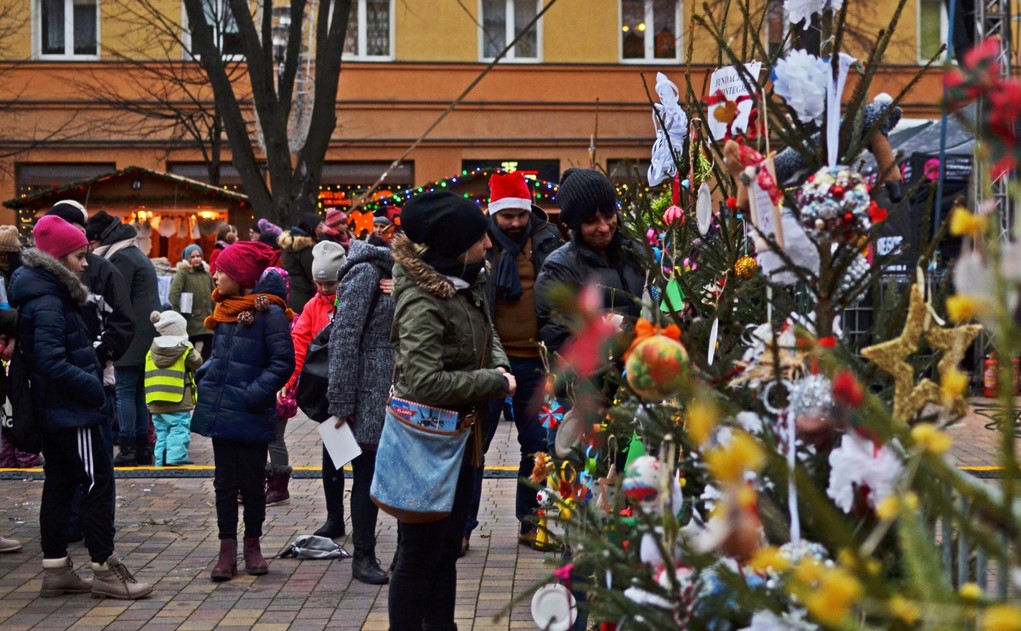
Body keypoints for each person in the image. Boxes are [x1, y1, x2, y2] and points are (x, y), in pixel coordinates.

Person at [387, 191, 516, 630]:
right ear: (456, 245)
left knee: (445, 549)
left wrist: (497, 360)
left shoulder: (469, 277)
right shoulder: (423, 299)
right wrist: (492, 381)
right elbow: (423, 382)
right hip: (427, 442)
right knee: (418, 554)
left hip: (462, 437)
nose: (489, 244)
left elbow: (486, 328)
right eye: (480, 238)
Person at [10, 215, 152, 599]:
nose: (86, 263)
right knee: (96, 483)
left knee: (60, 483)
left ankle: (56, 568)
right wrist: (92, 389)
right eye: (78, 256)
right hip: (75, 412)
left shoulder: (44, 294)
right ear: (58, 261)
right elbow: (52, 362)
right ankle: (105, 569)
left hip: (60, 411)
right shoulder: (49, 302)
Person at [463, 171, 564, 555]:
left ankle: (532, 524)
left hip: (537, 363)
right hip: (489, 364)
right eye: (507, 216)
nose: (515, 223)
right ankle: (464, 527)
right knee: (475, 447)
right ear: (493, 214)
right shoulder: (478, 245)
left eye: (520, 215)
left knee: (538, 448)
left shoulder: (547, 239)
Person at [191, 241, 294, 582]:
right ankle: (226, 550)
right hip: (223, 410)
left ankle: (252, 546)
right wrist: (205, 375)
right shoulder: (226, 310)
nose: (215, 275)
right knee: (223, 484)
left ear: (240, 277)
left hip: (250, 411)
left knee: (251, 484)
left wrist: (254, 393)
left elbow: (283, 362)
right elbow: (220, 356)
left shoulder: (270, 313)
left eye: (222, 270)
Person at [326, 237, 394, 585]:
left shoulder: (405, 276)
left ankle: (403, 553)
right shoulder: (366, 273)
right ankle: (363, 555)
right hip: (367, 391)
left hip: (397, 388)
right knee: (365, 473)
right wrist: (339, 403)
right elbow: (344, 336)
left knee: (396, 474)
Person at [536, 168, 645, 355]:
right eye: (591, 221)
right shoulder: (558, 268)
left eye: (609, 215)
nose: (604, 227)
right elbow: (561, 341)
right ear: (575, 226)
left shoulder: (637, 253)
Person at [86, 211, 161, 467]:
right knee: (138, 392)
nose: (90, 247)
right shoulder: (132, 252)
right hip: (144, 333)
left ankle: (128, 448)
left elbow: (117, 300)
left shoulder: (119, 258)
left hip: (132, 335)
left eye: (92, 241)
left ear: (100, 239)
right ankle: (141, 448)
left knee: (125, 392)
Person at [276, 240, 347, 508]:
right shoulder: (313, 306)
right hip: (329, 390)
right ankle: (335, 517)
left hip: (358, 390)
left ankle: (362, 525)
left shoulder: (356, 300)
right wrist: (288, 380)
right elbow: (298, 344)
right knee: (333, 457)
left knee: (365, 462)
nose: (323, 290)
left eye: (330, 284)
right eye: (319, 285)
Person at [0, 224, 43, 469]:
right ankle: (13, 453)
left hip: (19, 352)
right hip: (14, 348)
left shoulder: (21, 274)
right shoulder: (23, 273)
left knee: (17, 404)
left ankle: (20, 452)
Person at [144, 310, 202, 466]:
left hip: (155, 399)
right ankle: (176, 458)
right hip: (178, 398)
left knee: (161, 430)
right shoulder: (184, 349)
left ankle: (161, 460)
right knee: (179, 426)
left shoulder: (152, 349)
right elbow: (197, 362)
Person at [168, 244, 215, 361]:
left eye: (199, 256)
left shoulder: (206, 274)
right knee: (190, 349)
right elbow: (174, 293)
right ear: (187, 258)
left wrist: (215, 312)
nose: (196, 259)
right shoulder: (183, 273)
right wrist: (177, 314)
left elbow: (213, 293)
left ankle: (203, 369)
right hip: (190, 319)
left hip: (207, 318)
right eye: (193, 257)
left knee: (208, 347)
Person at [278, 213, 319, 313]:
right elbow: (313, 274)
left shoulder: (289, 245)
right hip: (304, 296)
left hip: (290, 294)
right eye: (319, 226)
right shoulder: (305, 248)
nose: (321, 230)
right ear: (312, 227)